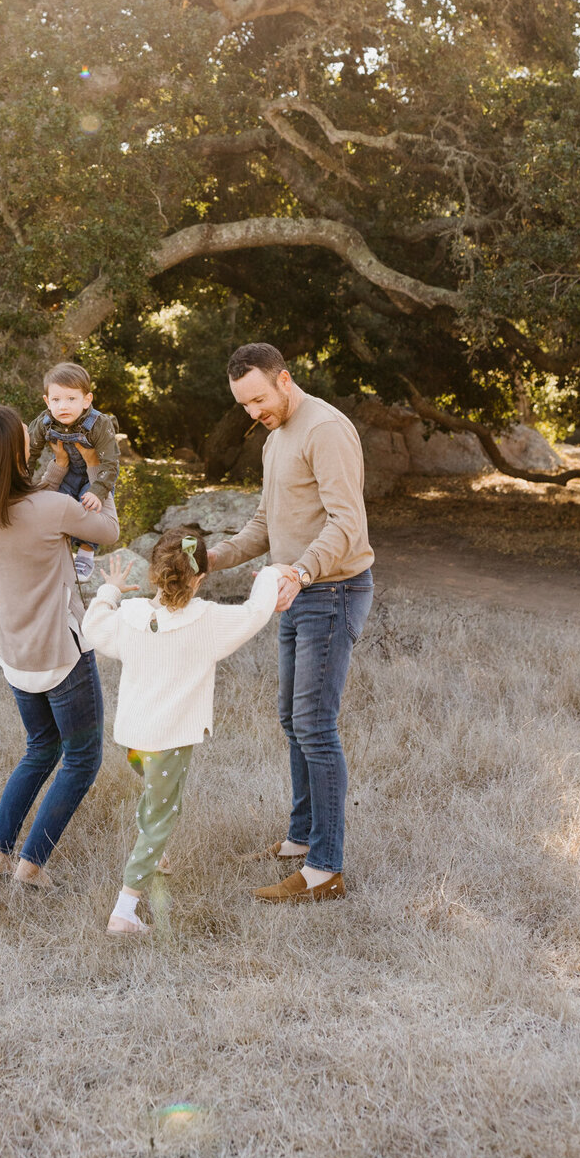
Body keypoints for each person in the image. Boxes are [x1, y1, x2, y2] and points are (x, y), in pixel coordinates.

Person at [208, 343, 374, 903]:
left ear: (284, 379)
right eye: (244, 405)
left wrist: (301, 572)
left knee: (315, 725)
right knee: (292, 718)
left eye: (259, 398)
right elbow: (265, 522)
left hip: (331, 591)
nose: (254, 412)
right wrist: (211, 559)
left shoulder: (324, 429)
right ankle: (301, 841)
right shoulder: (276, 437)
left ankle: (325, 870)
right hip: (294, 591)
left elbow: (347, 522)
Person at [81, 525, 291, 936]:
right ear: (199, 578)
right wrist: (270, 575)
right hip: (168, 742)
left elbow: (93, 628)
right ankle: (124, 911)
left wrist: (110, 591)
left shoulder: (131, 616)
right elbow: (255, 614)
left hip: (134, 740)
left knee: (153, 797)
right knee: (162, 817)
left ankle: (155, 859)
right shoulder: (207, 621)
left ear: (155, 574)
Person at [0, 404, 120, 888]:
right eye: (27, 437)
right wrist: (98, 474)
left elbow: (33, 492)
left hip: (14, 654)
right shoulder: (53, 510)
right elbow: (109, 530)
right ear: (13, 456)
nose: (35, 437)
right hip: (62, 656)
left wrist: (62, 467)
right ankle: (31, 866)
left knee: (40, 748)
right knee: (82, 759)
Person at [26, 361, 121, 582]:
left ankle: (86, 552)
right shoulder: (44, 423)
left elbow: (110, 463)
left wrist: (98, 491)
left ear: (87, 400)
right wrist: (24, 482)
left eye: (71, 399)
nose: (63, 406)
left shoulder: (99, 424)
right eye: (56, 400)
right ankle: (61, 550)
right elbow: (29, 453)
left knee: (91, 507)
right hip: (67, 473)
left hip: (96, 476)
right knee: (56, 505)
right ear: (47, 402)